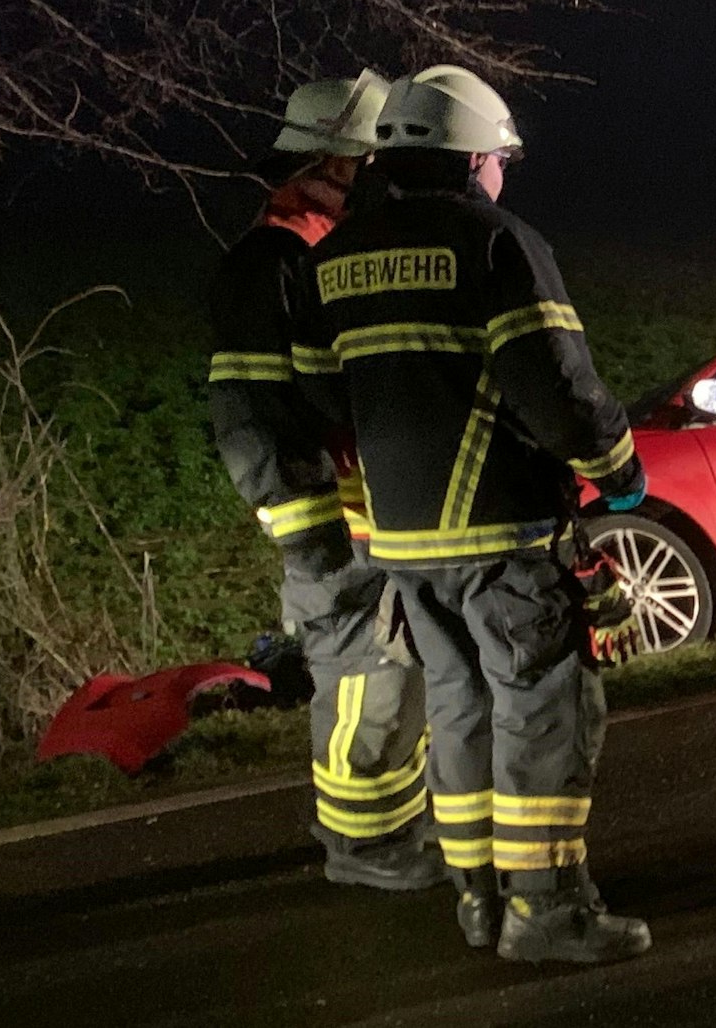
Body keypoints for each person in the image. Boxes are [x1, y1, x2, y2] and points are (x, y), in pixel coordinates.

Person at [286, 64, 651, 964]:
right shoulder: (495, 243)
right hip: (506, 537)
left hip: (406, 546)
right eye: (499, 160)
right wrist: (618, 466)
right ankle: (549, 915)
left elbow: (320, 388)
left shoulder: (333, 259)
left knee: (458, 715)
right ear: (475, 157)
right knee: (541, 714)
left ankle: (479, 905)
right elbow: (559, 388)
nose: (501, 175)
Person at [207, 72, 445, 891]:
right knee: (364, 688)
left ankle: (389, 834)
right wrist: (306, 524)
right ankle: (364, 850)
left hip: (377, 517)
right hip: (335, 525)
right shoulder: (273, 263)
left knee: (394, 681)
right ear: (339, 164)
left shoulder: (319, 255)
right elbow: (249, 407)